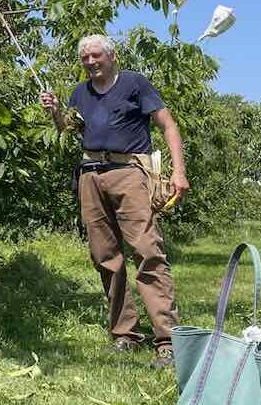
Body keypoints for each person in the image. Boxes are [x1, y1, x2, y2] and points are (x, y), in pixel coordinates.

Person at [40, 34, 188, 369]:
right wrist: (55, 113)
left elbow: (168, 125)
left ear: (112, 56)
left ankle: (167, 340)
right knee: (105, 256)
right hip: (90, 173)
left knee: (147, 251)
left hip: (129, 172)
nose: (91, 63)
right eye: (85, 59)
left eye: (96, 56)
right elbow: (70, 129)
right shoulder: (80, 93)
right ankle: (126, 334)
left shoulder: (135, 84)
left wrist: (179, 172)